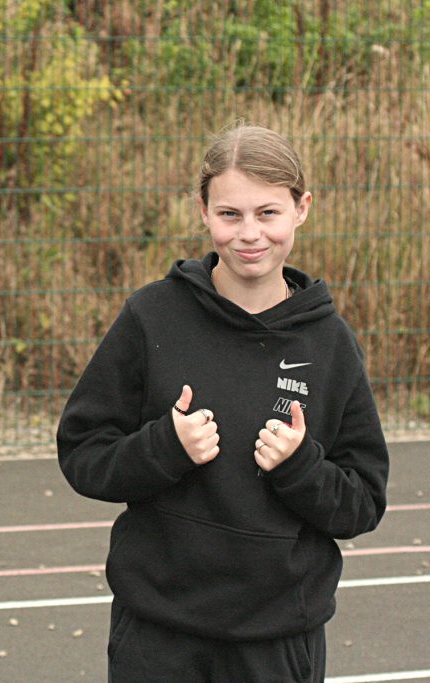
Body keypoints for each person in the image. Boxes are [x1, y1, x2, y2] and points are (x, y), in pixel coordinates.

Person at [56, 123, 390, 682]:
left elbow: (362, 504)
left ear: (302, 208)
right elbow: (84, 456)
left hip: (278, 640)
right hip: (158, 634)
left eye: (268, 213)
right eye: (230, 214)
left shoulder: (330, 344)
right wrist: (164, 447)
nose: (249, 234)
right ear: (203, 211)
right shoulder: (151, 317)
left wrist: (300, 466)